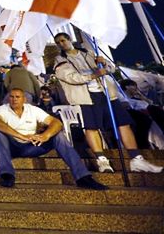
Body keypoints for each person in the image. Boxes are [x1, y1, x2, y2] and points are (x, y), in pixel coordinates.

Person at [54, 32, 162, 173]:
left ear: (70, 40)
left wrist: (104, 63)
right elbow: (69, 76)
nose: (61, 44)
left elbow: (111, 69)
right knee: (91, 127)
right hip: (85, 96)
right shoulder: (60, 59)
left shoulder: (89, 53)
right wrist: (93, 75)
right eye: (58, 42)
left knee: (123, 123)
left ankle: (136, 159)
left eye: (63, 40)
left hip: (106, 93)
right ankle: (101, 160)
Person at [0, 88, 107, 190]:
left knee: (58, 135)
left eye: (17, 97)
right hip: (12, 146)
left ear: (24, 99)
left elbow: (56, 123)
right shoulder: (3, 109)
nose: (14, 99)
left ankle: (83, 177)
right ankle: (7, 175)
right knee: (0, 133)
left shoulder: (33, 110)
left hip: (31, 146)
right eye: (11, 97)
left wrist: (45, 135)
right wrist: (21, 136)